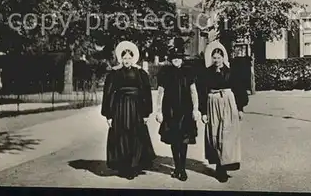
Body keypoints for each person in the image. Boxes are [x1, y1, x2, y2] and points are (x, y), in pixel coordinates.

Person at [101, 41, 156, 179]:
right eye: (124, 58)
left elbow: (146, 93)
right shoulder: (114, 74)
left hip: (136, 109)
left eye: (129, 58)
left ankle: (133, 166)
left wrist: (146, 113)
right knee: (121, 136)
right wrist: (108, 115)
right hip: (119, 109)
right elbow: (108, 93)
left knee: (135, 136)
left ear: (133, 58)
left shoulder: (140, 73)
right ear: (121, 59)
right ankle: (123, 167)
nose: (127, 60)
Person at [199, 41, 249, 183]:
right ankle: (218, 165)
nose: (217, 60)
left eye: (219, 57)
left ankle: (224, 167)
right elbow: (202, 92)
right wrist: (203, 112)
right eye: (214, 57)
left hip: (228, 103)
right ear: (211, 58)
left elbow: (239, 90)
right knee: (214, 135)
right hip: (212, 103)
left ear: (223, 58)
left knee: (227, 136)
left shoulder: (231, 72)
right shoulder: (206, 73)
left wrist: (240, 108)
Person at [155, 42, 201, 181]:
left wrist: (196, 108)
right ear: (171, 59)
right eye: (174, 57)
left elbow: (193, 91)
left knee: (184, 140)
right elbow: (160, 92)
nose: (176, 59)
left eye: (179, 57)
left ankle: (182, 168)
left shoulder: (189, 71)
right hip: (170, 111)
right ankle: (177, 167)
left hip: (185, 111)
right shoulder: (165, 72)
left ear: (182, 58)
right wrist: (159, 111)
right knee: (174, 140)